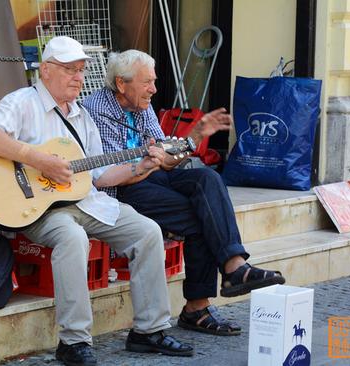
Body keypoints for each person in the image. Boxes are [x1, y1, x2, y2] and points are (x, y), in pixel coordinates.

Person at [0, 37, 193, 366]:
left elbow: (99, 175)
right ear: (45, 71)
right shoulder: (22, 102)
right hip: (41, 210)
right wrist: (38, 159)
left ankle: (149, 331)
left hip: (85, 201)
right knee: (72, 238)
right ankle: (74, 342)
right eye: (70, 70)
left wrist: (142, 165)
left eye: (81, 70)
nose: (78, 77)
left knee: (147, 231)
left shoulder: (82, 116)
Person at [83, 50, 286, 337]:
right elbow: (109, 174)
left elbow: (167, 158)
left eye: (154, 82)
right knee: (203, 217)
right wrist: (147, 164)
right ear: (121, 83)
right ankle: (198, 306)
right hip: (124, 189)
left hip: (155, 176)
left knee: (207, 176)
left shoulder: (143, 105)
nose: (154, 89)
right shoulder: (96, 110)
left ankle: (234, 265)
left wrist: (195, 136)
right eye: (147, 83)